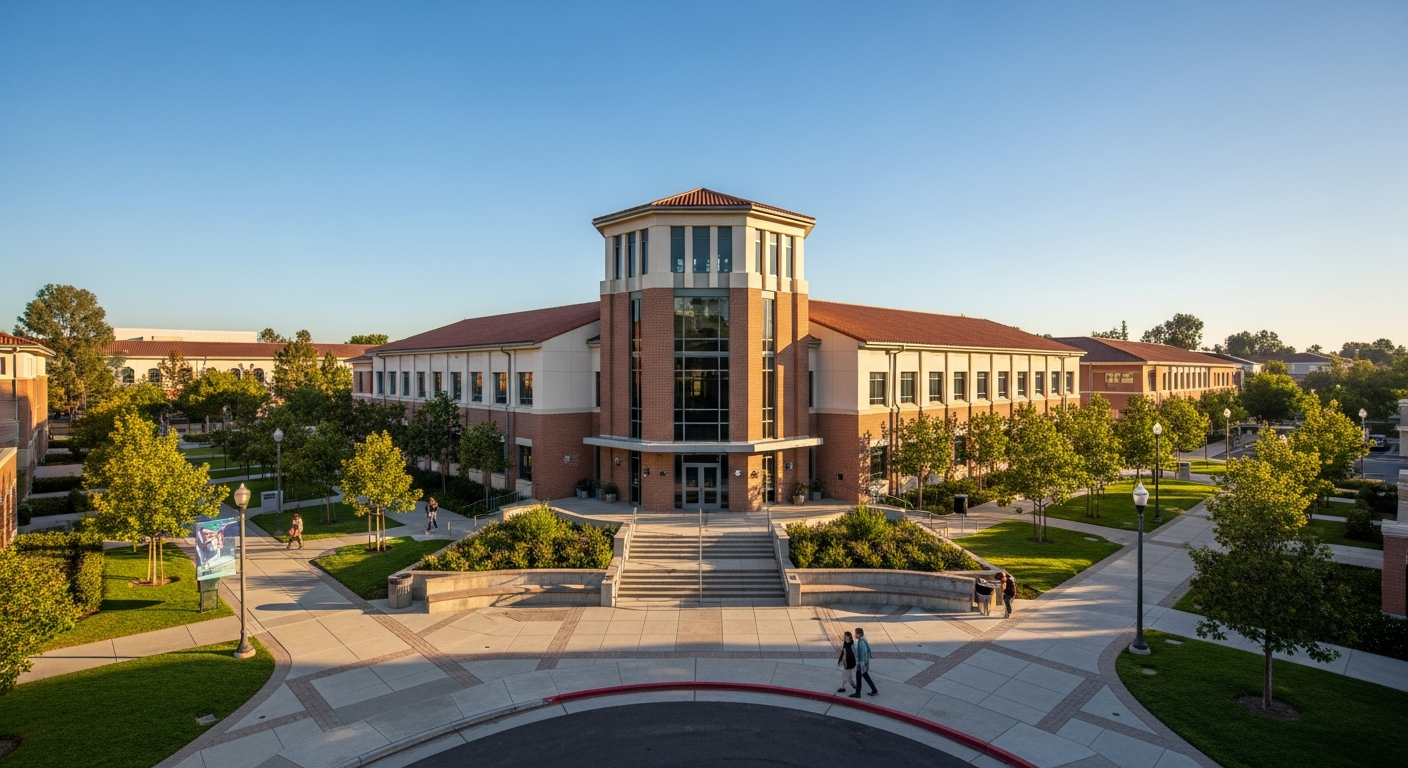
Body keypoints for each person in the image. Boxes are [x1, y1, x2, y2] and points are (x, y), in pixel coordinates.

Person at [850, 627, 878, 698]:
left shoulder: (861, 643)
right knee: (866, 677)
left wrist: (861, 664)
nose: (855, 635)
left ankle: (857, 693)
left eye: (856, 633)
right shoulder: (863, 640)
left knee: (858, 678)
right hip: (863, 664)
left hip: (861, 664)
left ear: (859, 634)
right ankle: (874, 690)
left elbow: (862, 654)